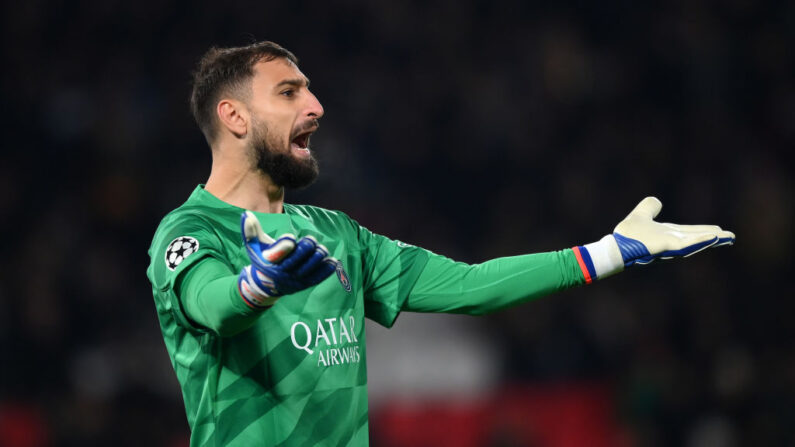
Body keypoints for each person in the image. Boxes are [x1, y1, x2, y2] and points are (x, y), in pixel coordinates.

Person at [146, 41, 735, 446]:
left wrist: (612, 251)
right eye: (289, 92)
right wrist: (257, 286)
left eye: (311, 92)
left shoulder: (338, 234)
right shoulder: (189, 231)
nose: (316, 107)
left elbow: (469, 286)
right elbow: (211, 303)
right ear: (234, 117)